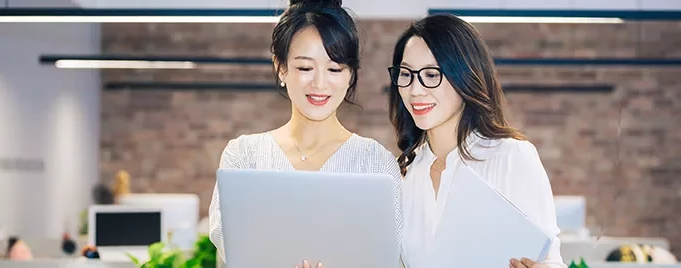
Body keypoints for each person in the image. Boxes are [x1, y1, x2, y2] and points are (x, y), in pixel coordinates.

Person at [208, 0, 403, 267]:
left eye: (335, 69)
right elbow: (233, 249)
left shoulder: (376, 163)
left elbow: (388, 256)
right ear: (281, 67)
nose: (320, 83)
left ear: (350, 76)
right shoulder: (244, 157)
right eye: (305, 68)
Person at [387, 14, 566, 268]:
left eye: (431, 74)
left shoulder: (511, 157)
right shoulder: (404, 172)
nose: (415, 90)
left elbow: (550, 260)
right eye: (406, 74)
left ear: (464, 76)